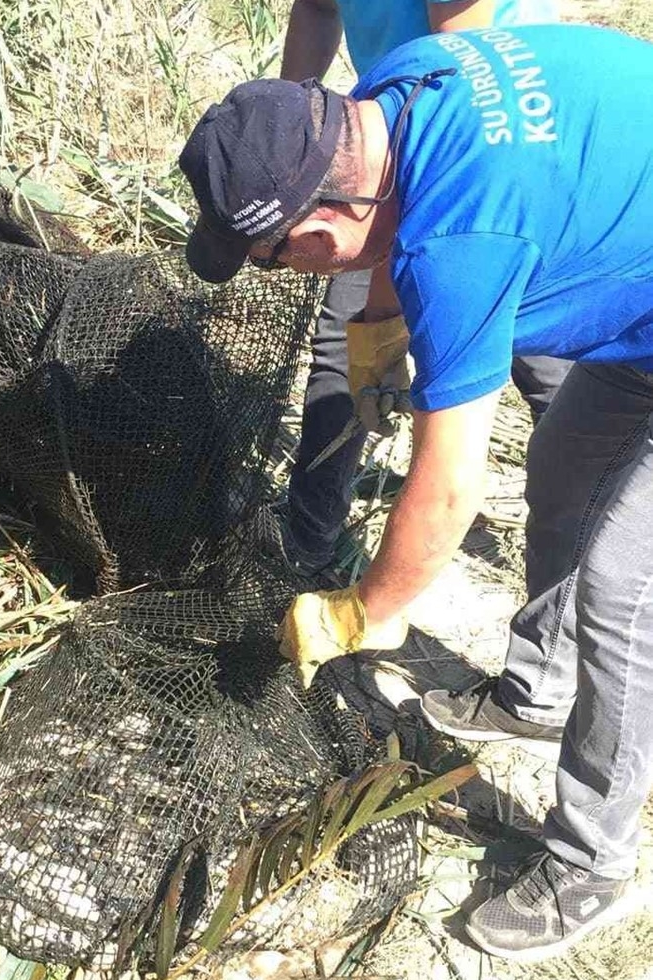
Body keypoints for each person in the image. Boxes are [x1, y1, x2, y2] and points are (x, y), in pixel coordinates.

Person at [177, 23, 653, 961]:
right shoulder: (390, 93)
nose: (288, 276)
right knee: (564, 468)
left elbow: (448, 490)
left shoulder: (459, 241)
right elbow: (384, 239)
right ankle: (537, 691)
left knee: (618, 584)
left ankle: (593, 861)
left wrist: (366, 610)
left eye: (275, 260)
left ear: (313, 233)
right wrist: (379, 338)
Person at [278, 0, 570, 586]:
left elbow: (457, 75)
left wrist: (387, 302)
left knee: (538, 359)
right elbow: (315, 10)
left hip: (499, 146)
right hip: (386, 131)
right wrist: (289, 150)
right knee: (346, 339)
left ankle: (585, 550)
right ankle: (306, 543)